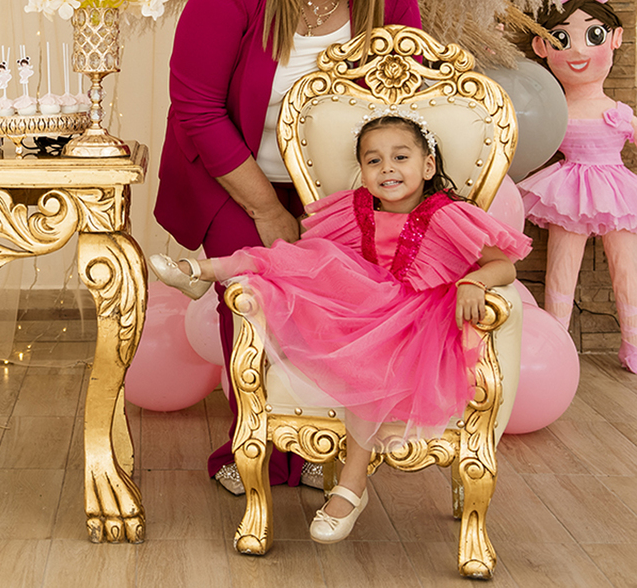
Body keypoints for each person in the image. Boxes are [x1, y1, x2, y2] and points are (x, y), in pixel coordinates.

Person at [152, 0, 422, 494]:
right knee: (254, 306)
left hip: (336, 190)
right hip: (233, 176)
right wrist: (268, 211)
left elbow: (403, 104)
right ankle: (259, 450)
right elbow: (197, 107)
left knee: (336, 310)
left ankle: (324, 442)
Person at [151, 114, 531, 542]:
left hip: (417, 320)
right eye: (374, 160)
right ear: (363, 172)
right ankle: (203, 270)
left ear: (427, 166)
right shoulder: (356, 210)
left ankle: (351, 486)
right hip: (360, 307)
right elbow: (324, 263)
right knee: (305, 258)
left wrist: (473, 282)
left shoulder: (448, 214)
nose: (387, 168)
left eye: (400, 157)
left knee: (368, 360)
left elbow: (503, 265)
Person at [518, 0, 637, 372]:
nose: (578, 52)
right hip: (567, 192)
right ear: (541, 46)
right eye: (562, 39)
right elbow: (530, 137)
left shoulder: (618, 113)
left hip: (617, 192)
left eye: (594, 36)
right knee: (561, 270)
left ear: (615, 39)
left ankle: (633, 344)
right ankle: (555, 348)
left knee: (627, 270)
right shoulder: (555, 111)